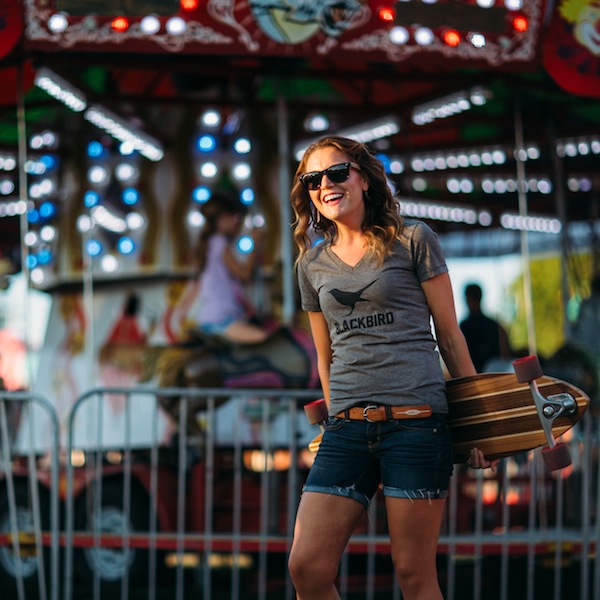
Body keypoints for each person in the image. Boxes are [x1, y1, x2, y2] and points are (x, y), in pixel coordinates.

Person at [287, 135, 495, 600]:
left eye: (338, 172)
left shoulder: (413, 239)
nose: (326, 184)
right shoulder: (311, 264)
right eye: (313, 179)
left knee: (414, 574)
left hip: (416, 426)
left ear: (362, 177)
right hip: (347, 430)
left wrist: (480, 425)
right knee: (307, 567)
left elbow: (450, 336)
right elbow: (326, 355)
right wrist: (335, 417)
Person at [191, 190, 269, 344]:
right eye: (235, 217)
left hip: (217, 316)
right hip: (221, 319)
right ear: (223, 217)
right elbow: (244, 275)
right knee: (266, 340)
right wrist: (255, 243)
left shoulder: (210, 244)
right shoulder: (219, 242)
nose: (237, 223)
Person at [460, 283, 511, 372]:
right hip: (495, 375)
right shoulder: (496, 326)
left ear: (468, 299)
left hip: (474, 376)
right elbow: (506, 354)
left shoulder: (464, 327)